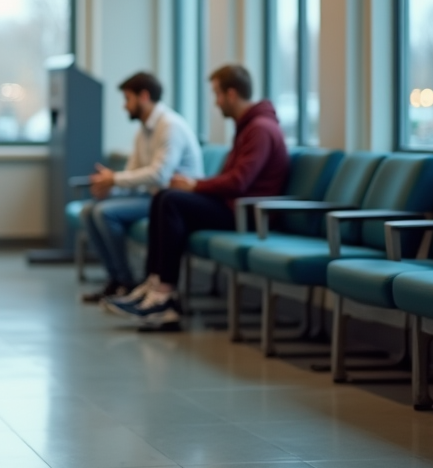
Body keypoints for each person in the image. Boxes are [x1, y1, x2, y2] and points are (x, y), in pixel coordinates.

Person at [104, 64, 289, 330]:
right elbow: (235, 179)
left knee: (171, 200)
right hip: (235, 207)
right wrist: (194, 185)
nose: (215, 103)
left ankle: (164, 296)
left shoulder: (259, 129)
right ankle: (155, 284)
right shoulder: (249, 127)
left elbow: (239, 182)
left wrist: (195, 186)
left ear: (232, 94)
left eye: (217, 94)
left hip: (249, 215)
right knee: (166, 196)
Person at [80, 72, 202, 304]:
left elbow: (159, 174)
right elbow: (133, 172)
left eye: (127, 99)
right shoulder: (144, 130)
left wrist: (114, 179)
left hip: (172, 203)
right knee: (89, 210)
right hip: (151, 197)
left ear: (144, 96)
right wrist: (110, 188)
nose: (125, 107)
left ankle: (126, 281)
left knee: (105, 213)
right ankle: (115, 279)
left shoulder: (170, 126)